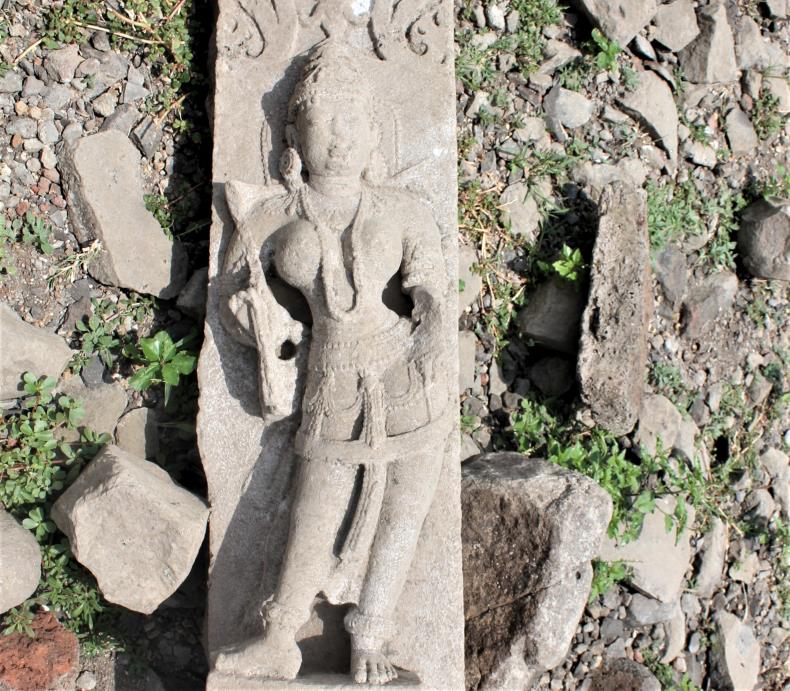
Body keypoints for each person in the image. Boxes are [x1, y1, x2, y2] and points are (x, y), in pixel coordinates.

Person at [214, 39, 450, 686]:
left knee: (407, 504)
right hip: (330, 373)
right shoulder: (269, 213)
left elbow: (429, 278)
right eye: (326, 120)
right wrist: (253, 317)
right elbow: (237, 294)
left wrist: (430, 318)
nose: (341, 137)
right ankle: (277, 634)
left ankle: (372, 634)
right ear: (295, 133)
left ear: (375, 133)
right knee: (315, 506)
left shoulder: (404, 209)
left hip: (410, 373)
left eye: (354, 120)